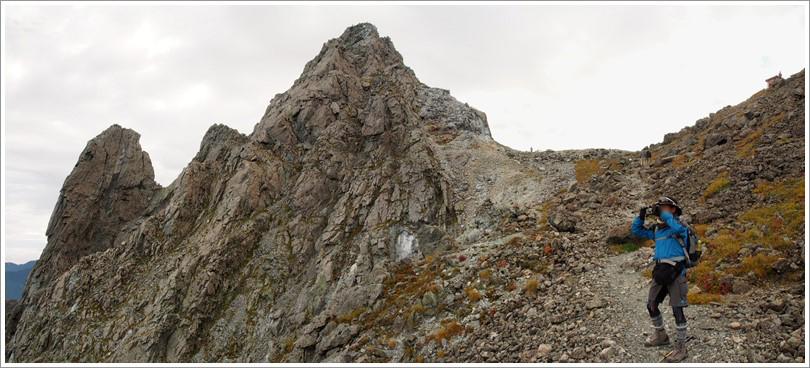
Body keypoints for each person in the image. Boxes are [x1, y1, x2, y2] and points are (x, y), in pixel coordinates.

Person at [631, 197, 689, 362]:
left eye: (664, 207)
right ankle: (662, 336)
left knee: (677, 309)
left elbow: (678, 229)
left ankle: (681, 347)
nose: (660, 210)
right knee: (651, 305)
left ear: (673, 210)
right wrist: (640, 217)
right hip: (660, 271)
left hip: (677, 272)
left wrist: (665, 215)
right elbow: (636, 231)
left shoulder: (680, 225)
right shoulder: (658, 229)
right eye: (659, 208)